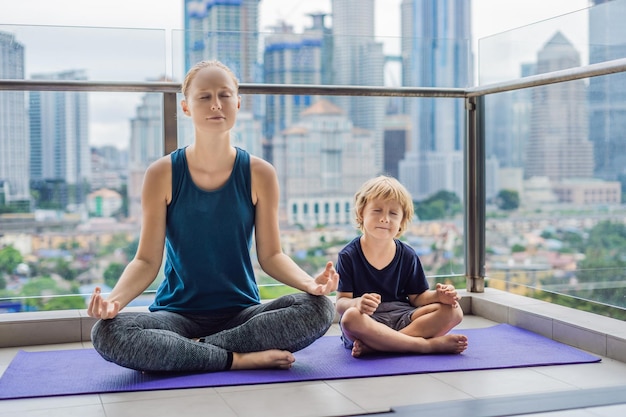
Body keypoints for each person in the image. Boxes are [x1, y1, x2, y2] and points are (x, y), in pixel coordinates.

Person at [88, 60, 338, 373]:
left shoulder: (260, 173)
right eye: (204, 97)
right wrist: (115, 301)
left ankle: (189, 355)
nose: (216, 104)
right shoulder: (161, 174)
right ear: (186, 107)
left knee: (318, 309)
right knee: (108, 333)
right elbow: (146, 262)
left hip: (241, 316)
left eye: (224, 95)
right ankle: (236, 359)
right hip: (176, 316)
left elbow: (272, 255)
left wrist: (310, 285)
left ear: (238, 102)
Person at [335, 175, 468, 358]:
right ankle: (425, 346)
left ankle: (379, 347)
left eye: (393, 213)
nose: (384, 219)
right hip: (368, 322)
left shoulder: (407, 255)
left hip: (403, 318)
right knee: (350, 318)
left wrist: (440, 296)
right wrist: (357, 303)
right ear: (361, 213)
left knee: (454, 311)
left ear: (402, 221)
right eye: (377, 210)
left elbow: (417, 298)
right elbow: (341, 303)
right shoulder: (348, 256)